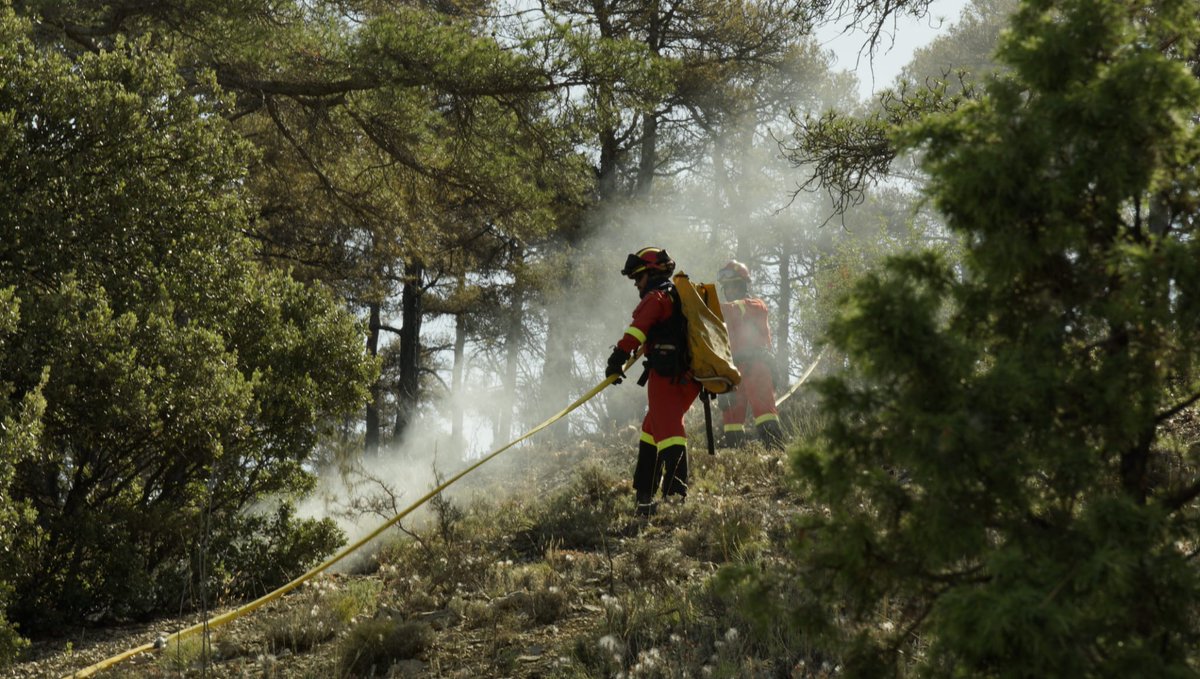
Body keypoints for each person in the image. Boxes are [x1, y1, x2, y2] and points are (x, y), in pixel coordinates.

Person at [605, 247, 701, 516]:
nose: (636, 284)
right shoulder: (676, 297)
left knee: (670, 432)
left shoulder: (656, 297)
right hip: (686, 376)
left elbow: (637, 330)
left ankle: (674, 497)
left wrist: (617, 358)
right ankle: (644, 495)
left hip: (667, 375)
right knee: (651, 428)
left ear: (650, 273)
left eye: (638, 277)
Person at [717, 260, 784, 449]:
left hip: (757, 367)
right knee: (731, 421)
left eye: (732, 285)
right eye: (726, 287)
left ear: (741, 285)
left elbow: (735, 309)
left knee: (765, 415)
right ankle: (737, 462)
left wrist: (705, 306)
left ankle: (776, 457)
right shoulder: (726, 314)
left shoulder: (755, 305)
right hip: (734, 371)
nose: (728, 290)